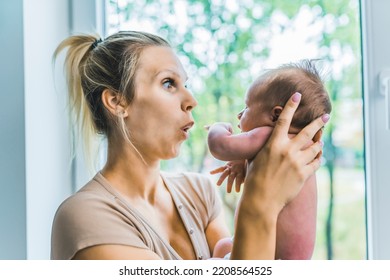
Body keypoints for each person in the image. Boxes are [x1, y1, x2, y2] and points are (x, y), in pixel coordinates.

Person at [50, 30, 329, 260]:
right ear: (117, 101)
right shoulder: (85, 217)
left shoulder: (199, 194)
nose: (191, 100)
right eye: (169, 83)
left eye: (186, 84)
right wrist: (261, 202)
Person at [207, 60, 332, 259]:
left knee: (219, 253)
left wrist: (219, 126)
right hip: (294, 256)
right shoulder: (303, 148)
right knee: (223, 246)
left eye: (246, 107)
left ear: (276, 115)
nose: (239, 114)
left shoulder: (267, 135)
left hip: (270, 252)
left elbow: (220, 146)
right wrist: (242, 161)